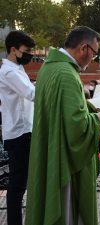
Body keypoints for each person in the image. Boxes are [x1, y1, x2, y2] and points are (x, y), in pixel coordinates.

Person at [25, 26, 100, 225]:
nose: (93, 58)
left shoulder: (49, 67)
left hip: (50, 147)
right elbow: (76, 125)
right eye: (95, 53)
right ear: (84, 48)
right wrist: (99, 118)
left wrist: (89, 109)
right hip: (64, 157)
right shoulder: (67, 74)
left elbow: (62, 112)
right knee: (66, 212)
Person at [0, 30, 35, 225]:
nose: (29, 54)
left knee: (20, 183)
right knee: (17, 185)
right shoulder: (8, 71)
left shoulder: (17, 69)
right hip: (18, 133)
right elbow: (31, 93)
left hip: (24, 130)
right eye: (26, 50)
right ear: (13, 50)